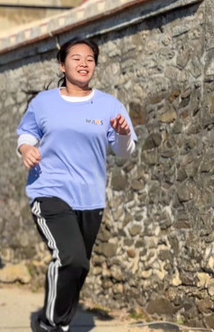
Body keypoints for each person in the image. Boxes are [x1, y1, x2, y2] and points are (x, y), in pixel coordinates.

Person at [17, 37, 137, 332]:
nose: (84, 63)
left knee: (79, 265)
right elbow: (26, 133)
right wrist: (26, 149)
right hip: (49, 191)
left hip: (90, 197)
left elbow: (125, 151)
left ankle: (61, 323)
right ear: (62, 64)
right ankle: (50, 324)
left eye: (90, 59)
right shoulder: (43, 102)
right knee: (69, 257)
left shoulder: (109, 105)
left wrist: (121, 134)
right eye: (76, 58)